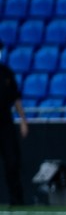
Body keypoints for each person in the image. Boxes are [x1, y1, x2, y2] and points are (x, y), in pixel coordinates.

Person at [0, 40, 29, 206]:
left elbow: (16, 98)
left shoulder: (6, 73)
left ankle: (17, 200)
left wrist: (23, 120)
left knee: (12, 162)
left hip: (5, 122)